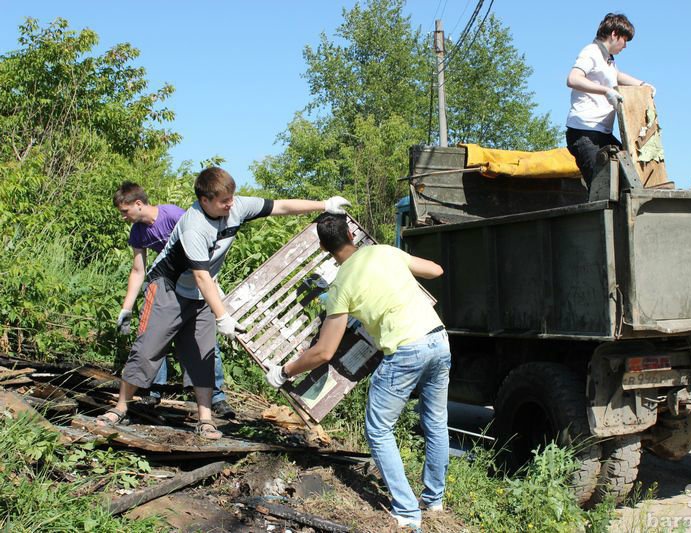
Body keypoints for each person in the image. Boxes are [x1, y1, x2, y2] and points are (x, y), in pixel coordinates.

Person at [97, 167, 351, 440]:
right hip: (168, 288)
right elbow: (201, 276)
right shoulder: (194, 226)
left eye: (231, 197)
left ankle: (205, 420)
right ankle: (120, 407)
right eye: (223, 200)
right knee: (148, 349)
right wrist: (223, 317)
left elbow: (281, 206)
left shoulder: (236, 205)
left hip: (201, 292)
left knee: (203, 353)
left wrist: (325, 204)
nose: (231, 203)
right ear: (205, 201)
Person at [265, 214, 450, 532]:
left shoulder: (341, 286)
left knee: (379, 430)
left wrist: (284, 371)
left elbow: (324, 351)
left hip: (405, 349)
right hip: (438, 338)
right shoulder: (386, 252)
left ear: (324, 248)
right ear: (351, 233)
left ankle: (407, 513)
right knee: (435, 423)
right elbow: (435, 270)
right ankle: (433, 501)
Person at [113, 182, 235, 418]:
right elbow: (138, 270)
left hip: (197, 282)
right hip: (167, 286)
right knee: (154, 337)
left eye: (125, 211)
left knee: (205, 343)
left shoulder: (172, 215)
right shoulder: (138, 231)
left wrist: (212, 283)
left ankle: (217, 398)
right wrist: (126, 308)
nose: (124, 217)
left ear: (138, 204)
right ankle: (153, 391)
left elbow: (205, 244)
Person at [565, 13, 655, 187]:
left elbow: (616, 76)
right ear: (614, 34)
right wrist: (606, 91)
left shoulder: (608, 60)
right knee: (602, 188)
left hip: (602, 135)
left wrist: (643, 86)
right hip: (585, 134)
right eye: (625, 40)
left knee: (631, 178)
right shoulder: (591, 52)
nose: (625, 46)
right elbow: (573, 79)